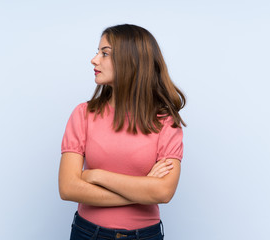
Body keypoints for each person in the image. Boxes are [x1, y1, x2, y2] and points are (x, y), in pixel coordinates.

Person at [59, 24, 186, 240]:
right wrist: (143, 190)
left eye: (105, 53)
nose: (94, 59)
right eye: (98, 52)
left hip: (145, 235)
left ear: (131, 61)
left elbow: (163, 192)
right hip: (87, 232)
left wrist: (95, 175)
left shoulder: (166, 122)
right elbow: (68, 188)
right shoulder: (83, 114)